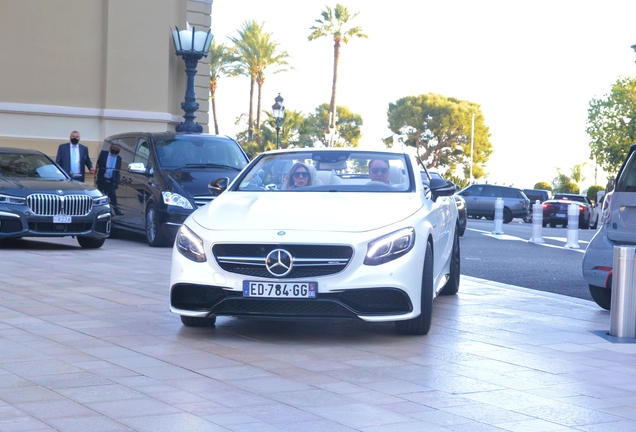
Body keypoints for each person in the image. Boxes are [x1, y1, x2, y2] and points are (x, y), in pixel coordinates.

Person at [96, 143, 122, 214]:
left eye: (118, 149)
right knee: (103, 196)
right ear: (111, 148)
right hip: (102, 179)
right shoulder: (103, 154)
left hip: (112, 181)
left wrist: (117, 182)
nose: (116, 150)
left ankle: (116, 211)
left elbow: (118, 171)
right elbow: (98, 164)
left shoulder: (119, 158)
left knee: (113, 196)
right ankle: (105, 211)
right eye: (114, 148)